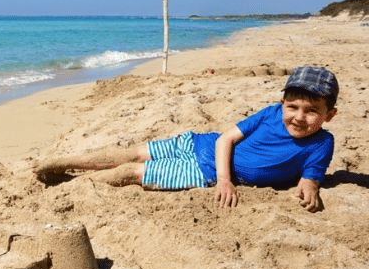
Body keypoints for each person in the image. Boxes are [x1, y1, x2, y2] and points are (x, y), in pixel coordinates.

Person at [34, 66, 338, 213]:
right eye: (293, 107)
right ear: (283, 103)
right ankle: (62, 162)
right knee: (134, 153)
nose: (299, 116)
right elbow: (225, 140)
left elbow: (311, 178)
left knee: (131, 173)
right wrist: (225, 181)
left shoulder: (321, 144)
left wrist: (310, 187)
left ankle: (67, 186)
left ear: (329, 115)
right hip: (200, 145)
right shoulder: (270, 113)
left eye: (312, 111)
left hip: (201, 173)